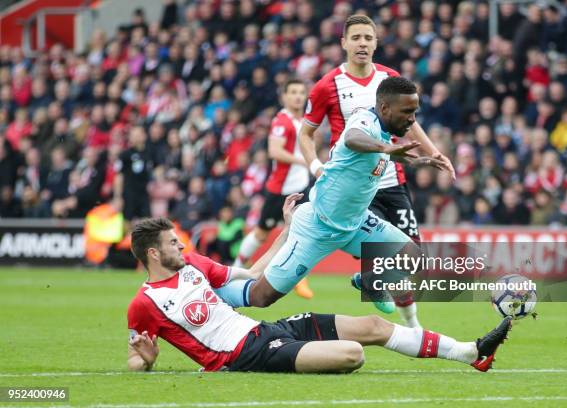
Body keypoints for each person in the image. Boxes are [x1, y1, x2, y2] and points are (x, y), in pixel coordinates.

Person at [127, 199, 511, 374]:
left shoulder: (196, 265)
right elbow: (133, 358)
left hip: (265, 331)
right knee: (352, 354)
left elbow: (252, 278)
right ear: (153, 254)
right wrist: (146, 360)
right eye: (172, 242)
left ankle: (470, 353)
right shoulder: (144, 304)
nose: (181, 245)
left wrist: (287, 230)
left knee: (372, 327)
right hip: (240, 357)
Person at [297, 15, 455, 324]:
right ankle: (400, 313)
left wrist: (433, 152)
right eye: (356, 38)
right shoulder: (326, 86)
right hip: (356, 187)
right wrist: (315, 166)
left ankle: (375, 286)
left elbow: (410, 122)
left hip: (393, 180)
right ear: (343, 42)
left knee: (411, 258)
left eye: (368, 38)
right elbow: (306, 133)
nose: (362, 44)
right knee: (382, 251)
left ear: (376, 43)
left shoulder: (390, 79)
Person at [233, 79, 314, 299]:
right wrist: (304, 160)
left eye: (301, 92)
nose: (298, 96)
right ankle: (237, 268)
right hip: (280, 190)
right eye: (293, 92)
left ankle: (299, 278)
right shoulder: (282, 120)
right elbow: (274, 151)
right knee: (261, 233)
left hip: (300, 187)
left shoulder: (304, 120)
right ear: (284, 97)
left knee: (301, 232)